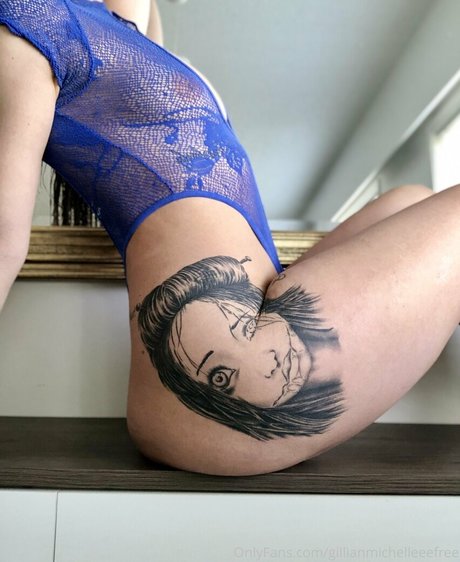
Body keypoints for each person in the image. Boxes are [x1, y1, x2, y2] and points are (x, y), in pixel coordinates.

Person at [0, 0, 459, 476]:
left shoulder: (111, 33)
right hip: (220, 393)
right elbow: (3, 245)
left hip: (254, 325)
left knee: (408, 201)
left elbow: (131, 23)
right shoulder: (28, 18)